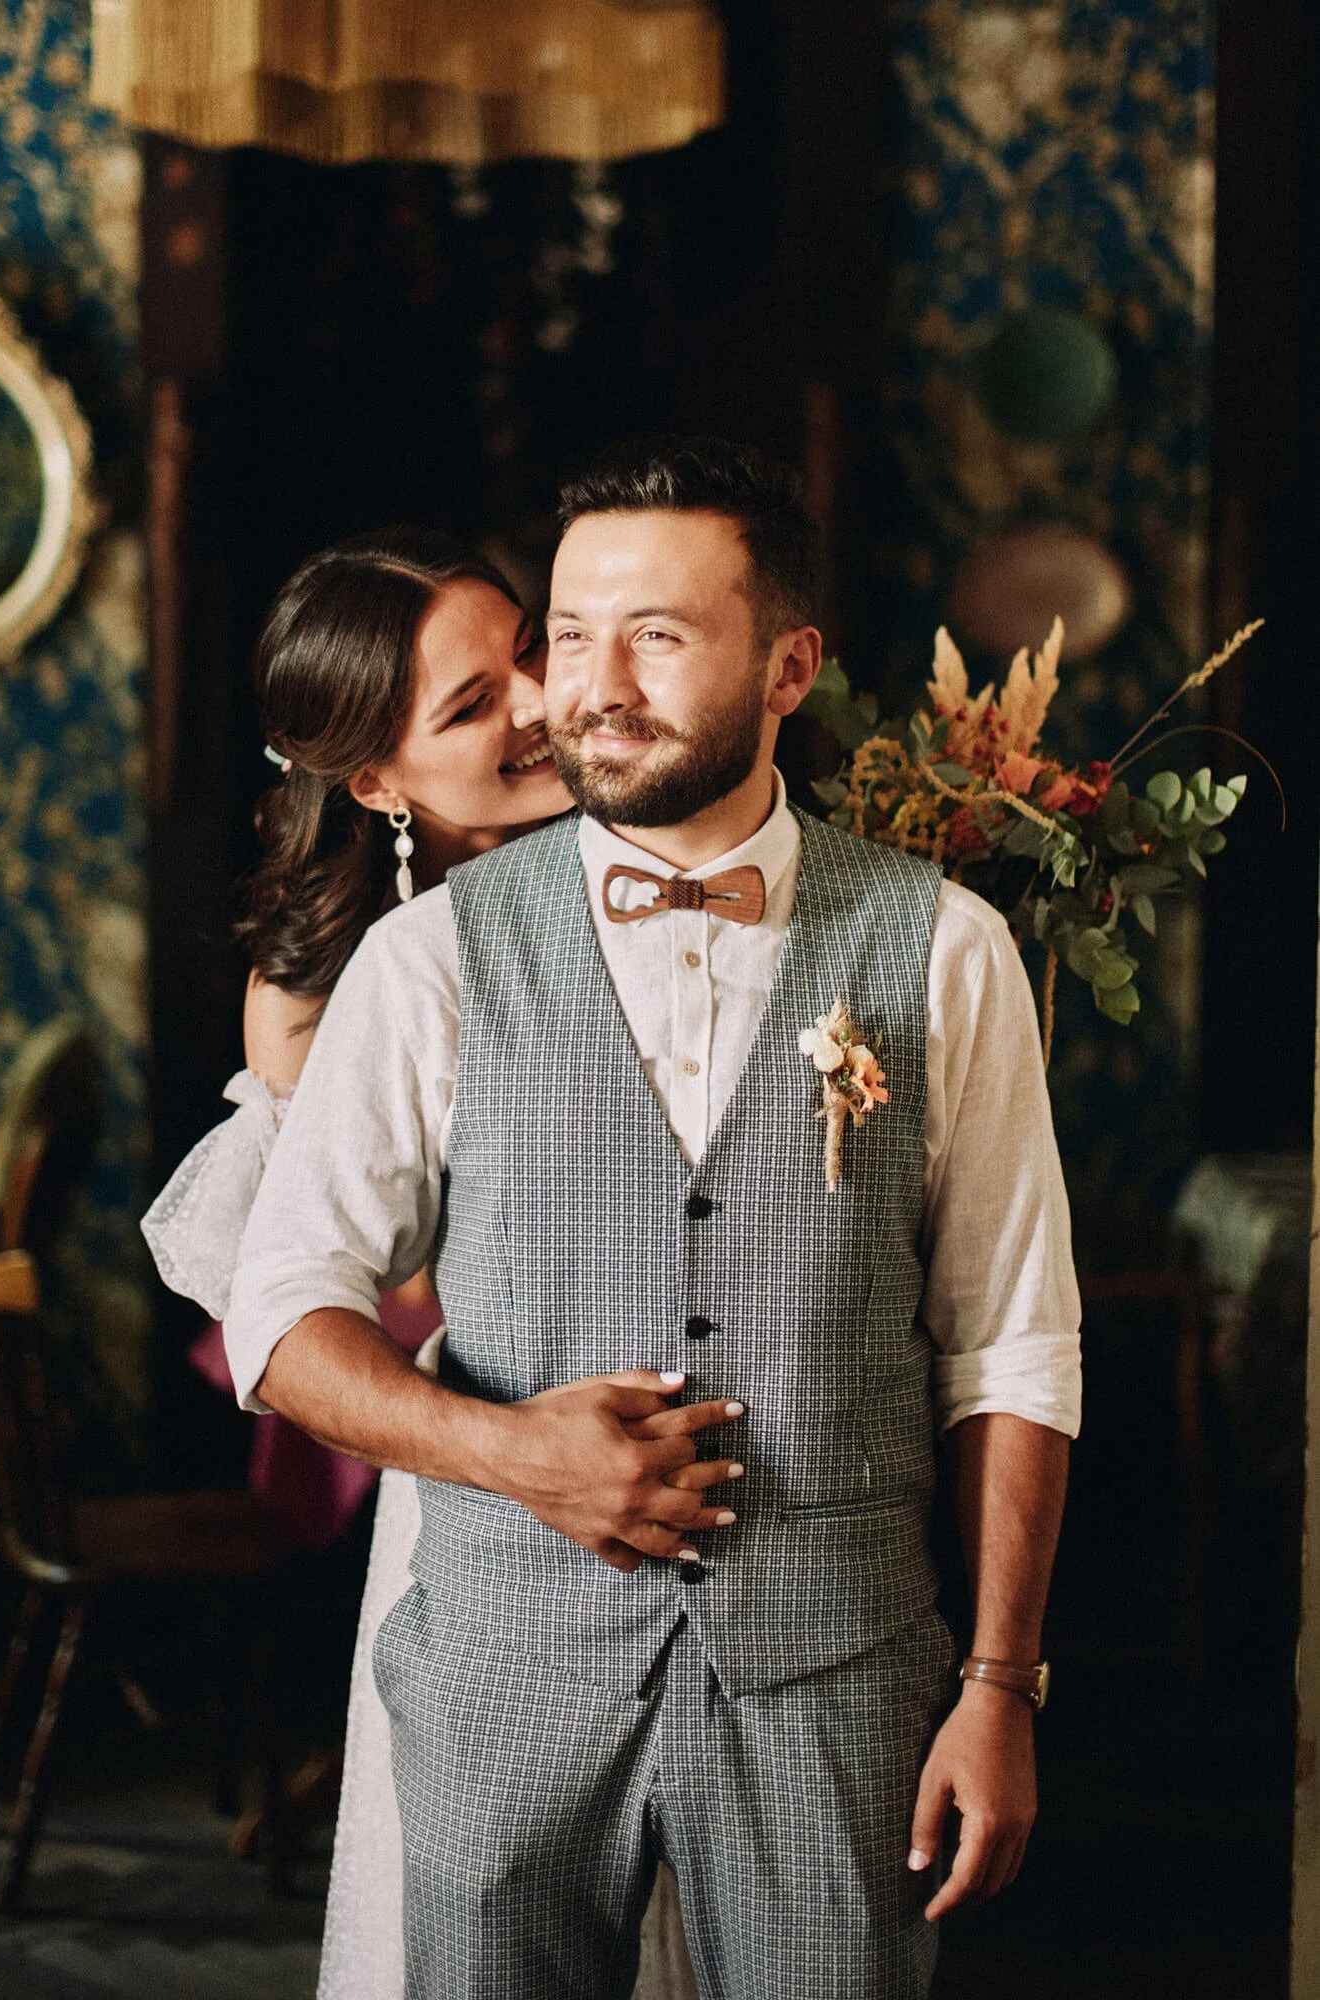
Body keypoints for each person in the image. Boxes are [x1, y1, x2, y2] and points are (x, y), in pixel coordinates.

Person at [226, 437, 1082, 2000]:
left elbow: (1015, 1347)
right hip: (501, 1682)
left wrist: (1001, 1687)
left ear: (789, 667)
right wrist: (510, 1453)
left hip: (841, 1685)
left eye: (658, 636)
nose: (586, 690)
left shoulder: (947, 951)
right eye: (566, 635)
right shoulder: (427, 965)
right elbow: (279, 1316)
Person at [142, 525, 697, 1997]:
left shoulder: (675, 856)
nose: (534, 703)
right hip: (497, 1470)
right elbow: (319, 1306)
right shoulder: (333, 993)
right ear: (374, 782)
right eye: (470, 705)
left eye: (530, 651)